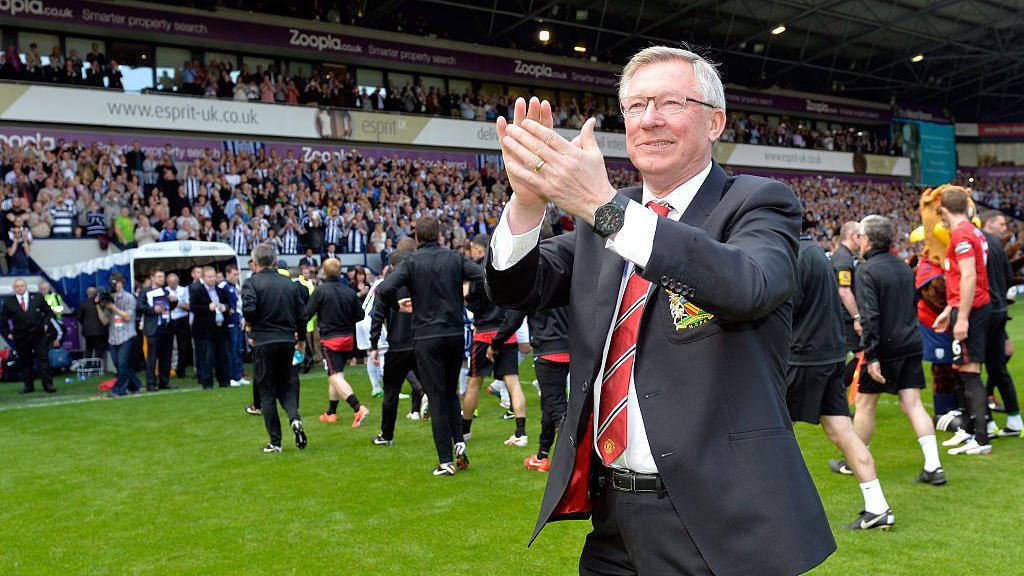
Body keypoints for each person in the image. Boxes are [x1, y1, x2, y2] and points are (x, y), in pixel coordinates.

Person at [487, 47, 834, 574]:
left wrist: (605, 208)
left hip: (717, 522)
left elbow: (747, 286)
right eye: (636, 105)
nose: (650, 120)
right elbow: (517, 287)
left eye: (672, 103)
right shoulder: (601, 217)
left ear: (715, 121)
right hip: (613, 520)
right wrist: (529, 201)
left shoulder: (758, 202)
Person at [788, 224, 901, 531]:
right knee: (843, 433)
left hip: (802, 357)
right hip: (829, 355)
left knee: (767, 431)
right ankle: (877, 506)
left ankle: (775, 512)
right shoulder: (816, 253)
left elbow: (783, 308)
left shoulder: (793, 254)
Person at [376, 215, 485, 476]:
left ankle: (445, 461)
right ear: (439, 234)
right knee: (449, 392)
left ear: (416, 237)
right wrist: (468, 298)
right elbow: (482, 274)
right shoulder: (454, 258)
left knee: (437, 396)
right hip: (454, 333)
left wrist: (397, 305)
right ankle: (458, 442)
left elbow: (384, 289)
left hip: (426, 336)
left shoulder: (411, 262)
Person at [853, 215, 947, 478]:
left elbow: (870, 316)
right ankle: (933, 465)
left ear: (867, 240)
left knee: (864, 405)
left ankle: (855, 461)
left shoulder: (866, 270)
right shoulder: (905, 267)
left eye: (861, 236)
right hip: (911, 341)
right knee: (914, 403)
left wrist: (871, 356)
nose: (859, 240)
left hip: (885, 348)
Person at [934, 188, 993, 455]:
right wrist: (950, 309)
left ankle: (981, 438)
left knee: (970, 373)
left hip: (973, 308)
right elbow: (966, 277)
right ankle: (971, 432)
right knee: (962, 372)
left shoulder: (960, 234)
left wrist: (963, 317)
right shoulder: (973, 231)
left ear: (944, 210)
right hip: (969, 305)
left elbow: (969, 276)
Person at [463, 233, 529, 446]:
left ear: (480, 250)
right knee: (513, 383)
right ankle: (521, 433)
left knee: (474, 383)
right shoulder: (507, 268)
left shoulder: (477, 273)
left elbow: (471, 303)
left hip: (484, 333)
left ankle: (465, 431)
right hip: (505, 332)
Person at [242, 243, 308, 453]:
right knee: (285, 385)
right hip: (286, 340)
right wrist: (301, 340)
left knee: (267, 391)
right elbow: (301, 314)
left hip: (263, 341)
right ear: (274, 261)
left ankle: (275, 441)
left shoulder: (252, 283)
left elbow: (249, 311)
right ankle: (294, 419)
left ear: (255, 262)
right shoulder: (289, 283)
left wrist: (251, 328)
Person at [369, 249, 425, 446]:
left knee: (391, 393)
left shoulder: (386, 286)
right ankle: (455, 430)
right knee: (435, 387)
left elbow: (376, 316)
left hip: (399, 345)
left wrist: (374, 344)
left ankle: (387, 435)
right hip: (420, 341)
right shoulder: (418, 283)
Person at [305, 258, 370, 427]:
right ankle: (331, 412)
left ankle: (357, 407)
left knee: (335, 375)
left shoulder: (320, 291)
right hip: (348, 338)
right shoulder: (348, 290)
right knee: (335, 374)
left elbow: (307, 313)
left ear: (324, 272)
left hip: (330, 339)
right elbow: (360, 315)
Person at [980, 211, 1021, 437]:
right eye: (1001, 223)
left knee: (970, 367)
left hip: (983, 311)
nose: (1005, 227)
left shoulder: (978, 241)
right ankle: (1014, 420)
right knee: (998, 366)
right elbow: (1007, 278)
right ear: (989, 224)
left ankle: (984, 424)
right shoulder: (997, 244)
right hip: (999, 308)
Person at [1, 278, 61, 394]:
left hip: (39, 334)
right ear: (14, 288)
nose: (20, 288)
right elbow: (3, 320)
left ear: (26, 286)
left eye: (22, 286)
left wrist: (46, 325)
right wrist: (8, 333)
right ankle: (28, 386)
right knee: (25, 361)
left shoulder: (38, 297)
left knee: (43, 358)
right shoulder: (9, 302)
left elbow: (48, 312)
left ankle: (48, 384)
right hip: (21, 336)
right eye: (17, 286)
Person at [97, 273, 141, 396]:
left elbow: (128, 316)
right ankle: (135, 385)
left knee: (122, 364)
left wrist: (113, 307)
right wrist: (98, 306)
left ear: (121, 283)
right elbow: (104, 321)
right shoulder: (109, 298)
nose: (114, 285)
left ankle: (119, 390)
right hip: (113, 337)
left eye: (115, 282)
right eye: (112, 283)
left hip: (127, 335)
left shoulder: (129, 297)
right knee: (119, 365)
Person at [832, 221, 863, 389]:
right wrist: (857, 317)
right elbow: (844, 291)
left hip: (841, 318)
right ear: (853, 236)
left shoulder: (844, 255)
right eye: (861, 236)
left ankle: (836, 396)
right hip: (845, 319)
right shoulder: (843, 258)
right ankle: (837, 393)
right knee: (860, 356)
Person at [190, 266, 231, 389]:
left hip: (220, 328)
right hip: (205, 330)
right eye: (209, 276)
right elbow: (193, 308)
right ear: (203, 277)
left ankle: (224, 381)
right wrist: (207, 307)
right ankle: (207, 383)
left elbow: (228, 305)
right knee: (207, 358)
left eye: (213, 276)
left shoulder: (220, 290)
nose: (212, 279)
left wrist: (225, 307)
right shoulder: (197, 290)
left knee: (223, 357)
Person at [137, 270, 176, 392]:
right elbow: (139, 306)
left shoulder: (165, 291)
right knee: (152, 357)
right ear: (152, 278)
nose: (162, 279)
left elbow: (170, 308)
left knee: (166, 356)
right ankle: (151, 383)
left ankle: (164, 382)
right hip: (153, 327)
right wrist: (153, 310)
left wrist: (174, 301)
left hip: (166, 326)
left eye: (163, 276)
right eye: (159, 276)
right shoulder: (145, 291)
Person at [222, 265, 249, 387]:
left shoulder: (235, 287)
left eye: (237, 274)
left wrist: (242, 317)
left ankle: (238, 376)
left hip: (238, 321)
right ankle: (231, 377)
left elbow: (239, 305)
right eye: (234, 274)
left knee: (238, 349)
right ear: (227, 274)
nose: (236, 277)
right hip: (230, 323)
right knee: (231, 350)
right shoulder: (223, 287)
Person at [166, 273, 192, 379]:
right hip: (170, 319)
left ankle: (181, 371)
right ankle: (169, 369)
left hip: (182, 319)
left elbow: (188, 306)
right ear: (167, 282)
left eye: (175, 282)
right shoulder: (164, 291)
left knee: (183, 346)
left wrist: (177, 303)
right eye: (171, 283)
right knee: (169, 346)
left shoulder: (184, 290)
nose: (173, 284)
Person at [77, 286, 108, 369]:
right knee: (98, 350)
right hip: (99, 330)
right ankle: (98, 366)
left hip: (88, 331)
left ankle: (88, 366)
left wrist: (85, 324)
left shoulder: (83, 304)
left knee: (89, 349)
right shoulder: (100, 303)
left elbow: (79, 317)